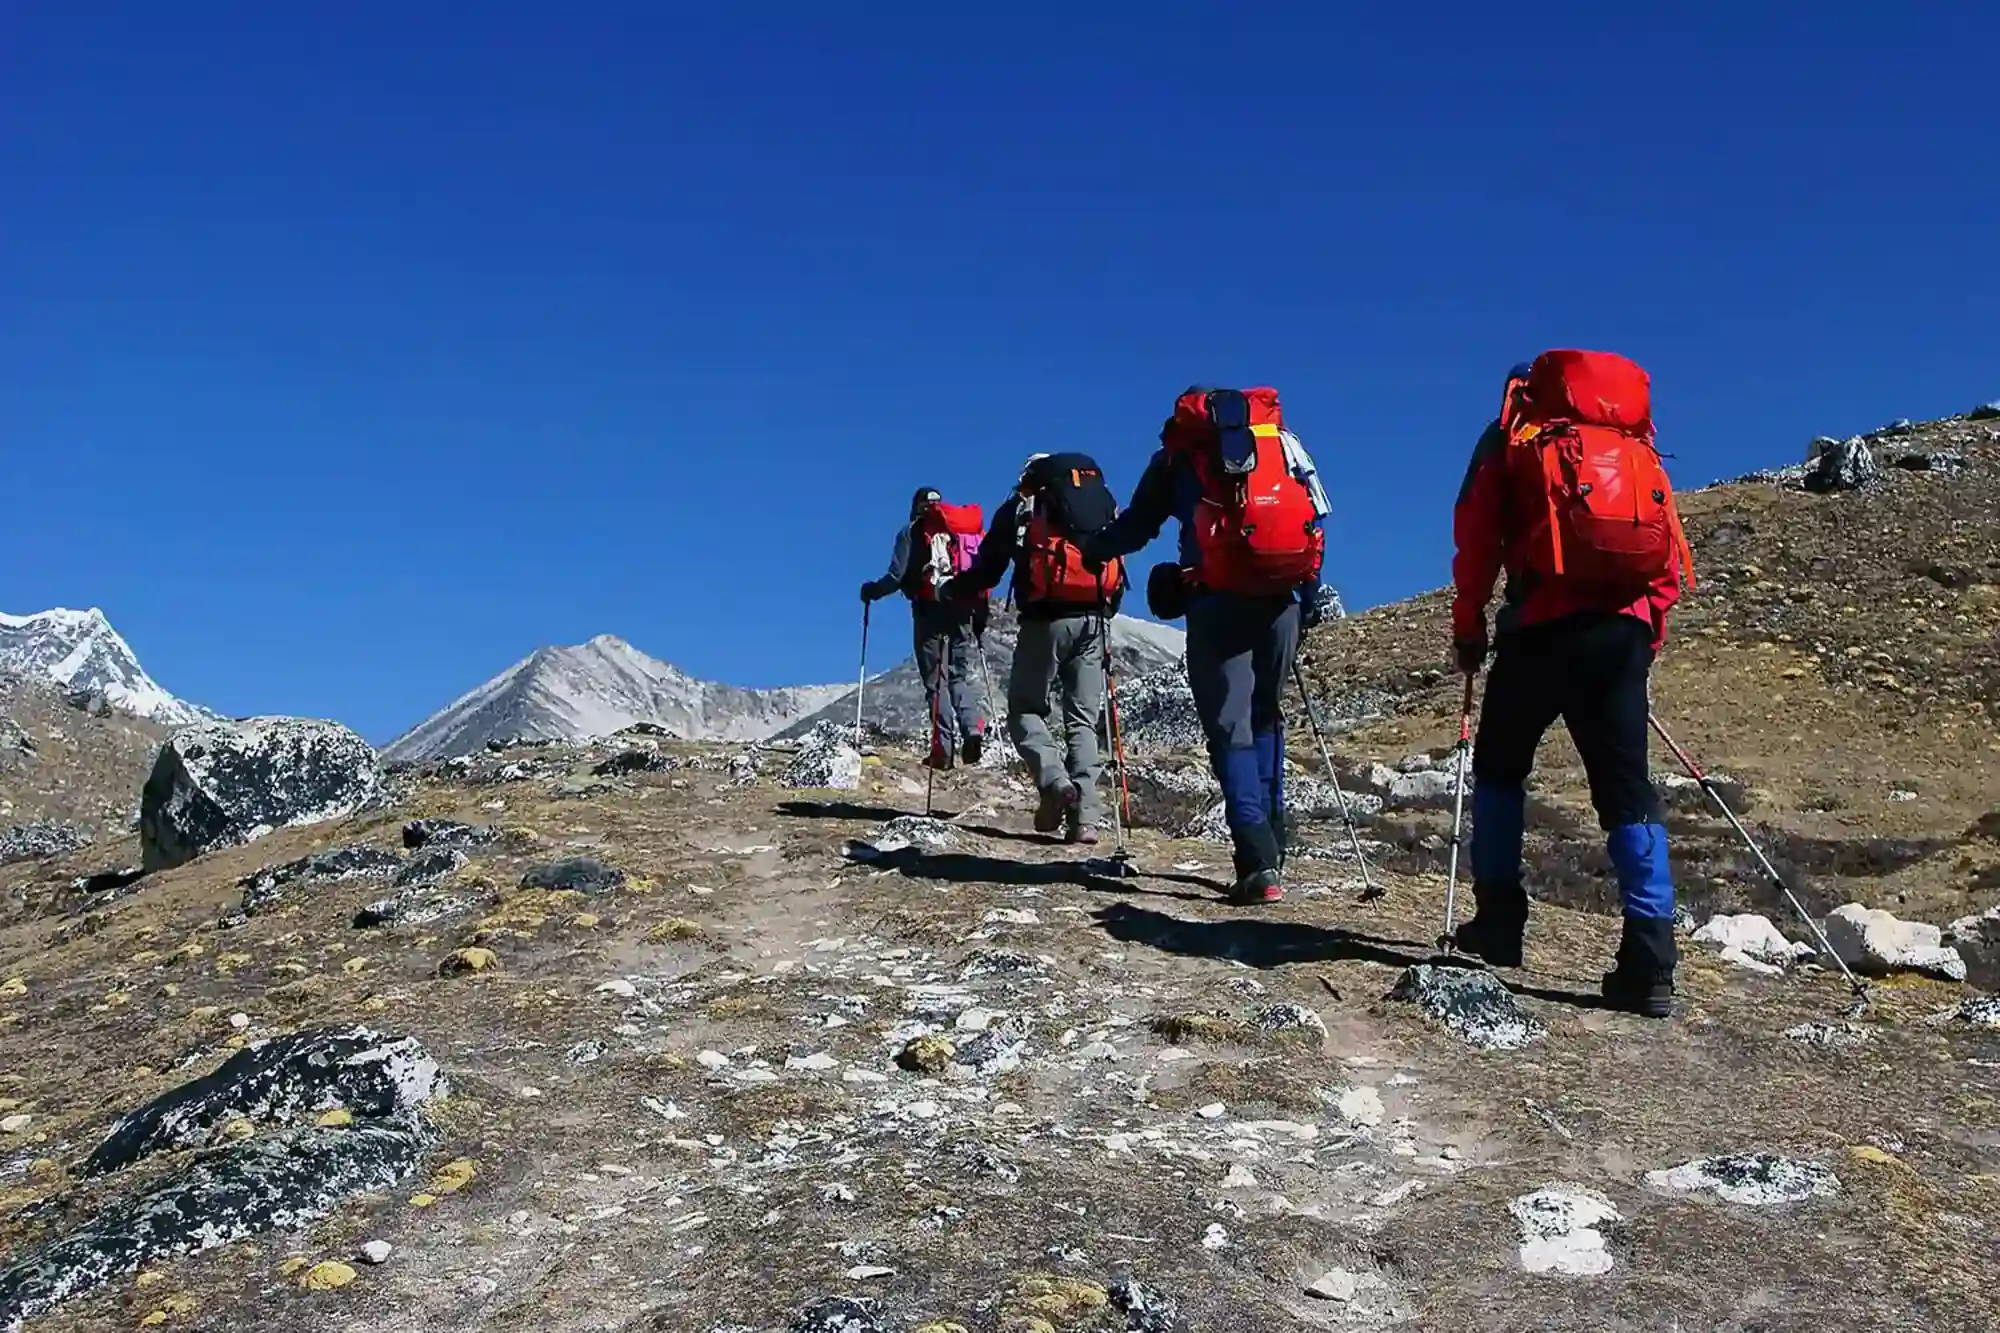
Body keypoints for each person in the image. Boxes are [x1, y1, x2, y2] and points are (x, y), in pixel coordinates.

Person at [1450, 354, 1689, 1018]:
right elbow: (1664, 547)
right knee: (1627, 791)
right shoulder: (1632, 441)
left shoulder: (1515, 433)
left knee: (1500, 766)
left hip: (1540, 627)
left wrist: (1469, 624)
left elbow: (1475, 531)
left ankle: (1498, 920)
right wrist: (1646, 635)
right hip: (1622, 632)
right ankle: (1651, 957)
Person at [1082, 387, 1331, 905]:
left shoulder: (1177, 458)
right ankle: (1272, 845)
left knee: (1230, 730)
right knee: (1265, 719)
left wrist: (1094, 549)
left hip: (1216, 602)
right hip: (1281, 598)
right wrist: (1306, 598)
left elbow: (1136, 527)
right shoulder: (1282, 444)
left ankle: (1257, 860)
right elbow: (1316, 518)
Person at [943, 453, 1125, 844]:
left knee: (1026, 709)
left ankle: (1055, 782)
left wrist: (953, 590)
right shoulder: (1099, 503)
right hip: (1095, 621)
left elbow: (988, 569)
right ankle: (1086, 820)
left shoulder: (1021, 509)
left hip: (1045, 621)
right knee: (1082, 720)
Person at [860, 487, 988, 768]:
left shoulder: (912, 532)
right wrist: (981, 614)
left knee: (936, 682)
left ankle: (942, 750)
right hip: (963, 608)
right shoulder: (962, 530)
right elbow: (981, 570)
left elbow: (896, 576)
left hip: (929, 610)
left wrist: (871, 591)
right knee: (959, 677)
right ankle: (973, 729)